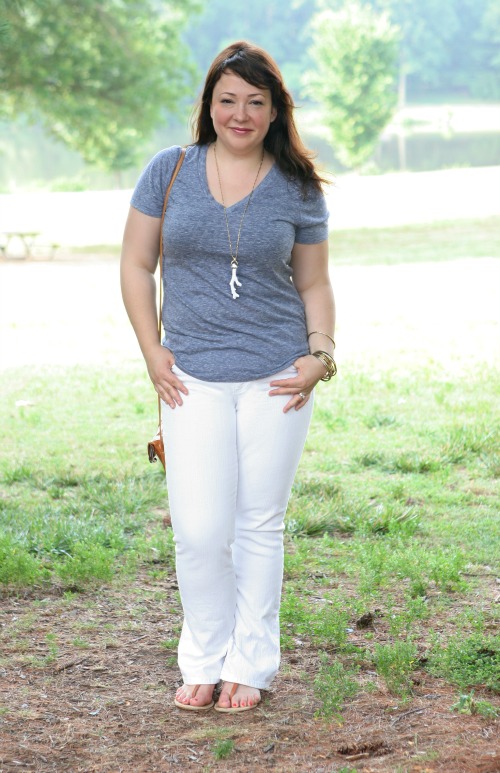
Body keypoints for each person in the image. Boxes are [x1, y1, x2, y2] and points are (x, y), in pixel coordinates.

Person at [120, 40, 336, 714]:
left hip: (277, 376)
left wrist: (321, 354)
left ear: (275, 112)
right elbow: (135, 265)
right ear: (209, 104)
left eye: (255, 102)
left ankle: (251, 663)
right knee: (200, 528)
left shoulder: (297, 186)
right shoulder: (171, 170)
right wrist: (152, 350)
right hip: (190, 377)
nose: (239, 113)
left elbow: (315, 282)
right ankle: (203, 656)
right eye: (227, 100)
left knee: (258, 523)